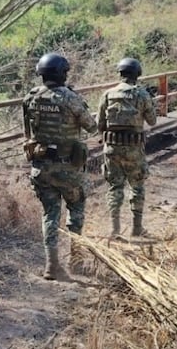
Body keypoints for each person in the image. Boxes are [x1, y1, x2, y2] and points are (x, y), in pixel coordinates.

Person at [22, 52, 97, 281]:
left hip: (41, 167)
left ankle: (51, 265)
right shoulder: (70, 98)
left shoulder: (31, 98)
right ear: (62, 73)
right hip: (68, 168)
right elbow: (92, 127)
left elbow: (28, 133)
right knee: (76, 210)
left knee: (50, 215)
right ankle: (76, 261)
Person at [98, 57, 158, 238]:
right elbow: (152, 121)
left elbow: (99, 124)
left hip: (112, 148)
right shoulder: (142, 95)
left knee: (115, 187)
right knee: (137, 186)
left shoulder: (108, 94)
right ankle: (136, 228)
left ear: (120, 73)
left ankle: (114, 229)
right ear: (137, 74)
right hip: (134, 149)